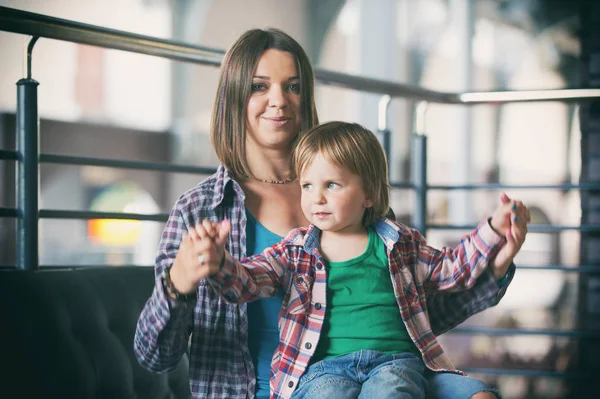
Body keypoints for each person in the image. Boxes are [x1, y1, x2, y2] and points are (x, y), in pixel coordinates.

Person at [134, 28, 521, 399]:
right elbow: (154, 356)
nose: (279, 100)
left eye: (293, 86)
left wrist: (496, 266)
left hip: (387, 374)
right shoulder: (199, 209)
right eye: (259, 86)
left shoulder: (351, 192)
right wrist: (177, 284)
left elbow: (407, 314)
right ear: (234, 96)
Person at [190, 121, 530, 399]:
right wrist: (221, 263)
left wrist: (492, 229)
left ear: (368, 193)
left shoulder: (401, 243)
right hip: (322, 370)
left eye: (332, 185)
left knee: (392, 391)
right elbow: (248, 281)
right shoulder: (295, 250)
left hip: (395, 363)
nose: (316, 198)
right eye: (307, 186)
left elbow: (454, 269)